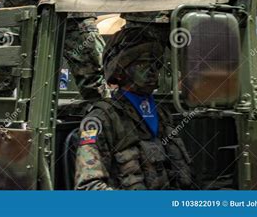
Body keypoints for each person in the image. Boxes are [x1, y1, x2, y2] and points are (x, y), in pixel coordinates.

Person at [74, 27, 193, 190]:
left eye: (155, 64)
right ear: (121, 71)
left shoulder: (162, 114)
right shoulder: (101, 119)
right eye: (142, 64)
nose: (152, 71)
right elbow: (88, 187)